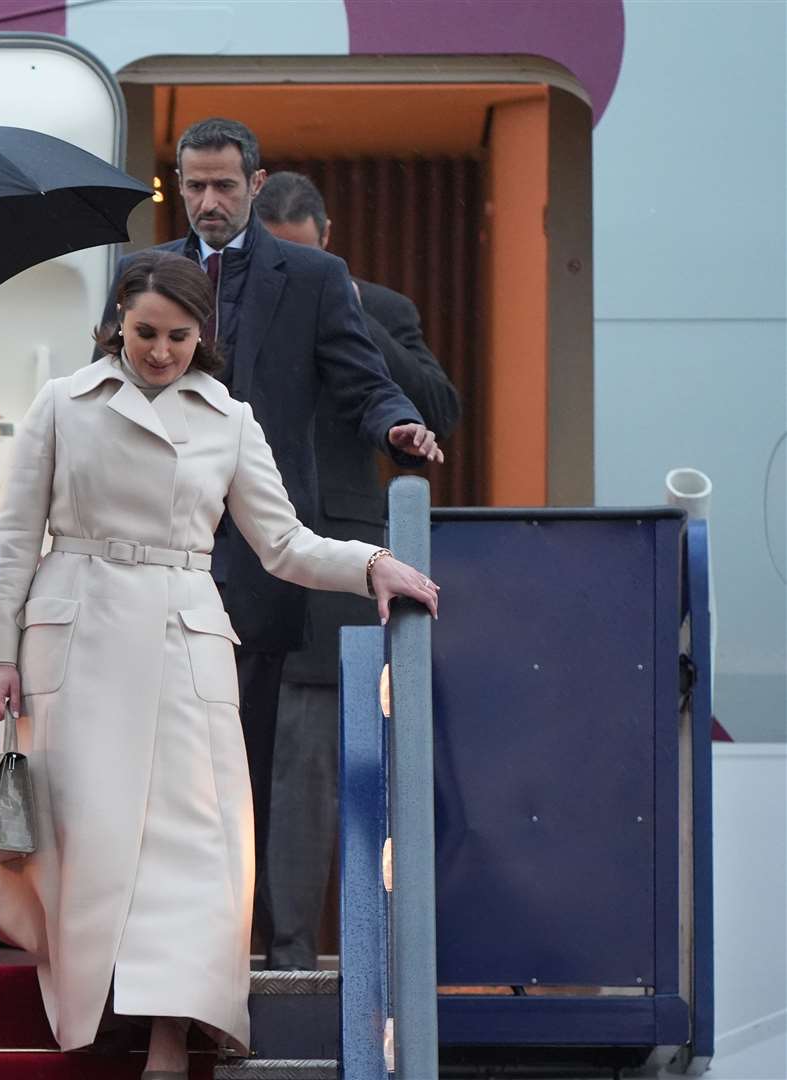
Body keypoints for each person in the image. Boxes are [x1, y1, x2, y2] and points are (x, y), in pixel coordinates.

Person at [0, 251, 440, 1077]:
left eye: (179, 336)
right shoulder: (61, 404)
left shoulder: (228, 418)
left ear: (204, 335)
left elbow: (283, 543)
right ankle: (103, 1018)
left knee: (194, 849)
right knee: (87, 842)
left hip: (181, 637)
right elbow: (16, 544)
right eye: (146, 331)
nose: (160, 351)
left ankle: (170, 1035)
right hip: (74, 635)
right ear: (118, 319)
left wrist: (370, 564)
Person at [99, 118, 445, 955]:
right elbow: (105, 388)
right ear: (176, 186)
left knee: (243, 759)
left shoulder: (316, 276)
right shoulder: (144, 277)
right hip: (152, 552)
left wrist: (396, 424)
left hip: (258, 554)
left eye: (224, 185)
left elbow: (362, 377)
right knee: (148, 760)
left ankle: (237, 942)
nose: (208, 201)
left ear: (255, 183)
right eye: (193, 186)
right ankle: (145, 938)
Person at [254, 170, 463, 970]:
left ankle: (300, 954)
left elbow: (437, 408)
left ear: (328, 242)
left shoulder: (379, 309)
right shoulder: (219, 300)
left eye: (307, 260)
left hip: (337, 572)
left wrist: (335, 308)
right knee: (244, 767)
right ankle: (260, 944)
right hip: (237, 564)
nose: (292, 274)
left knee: (316, 766)